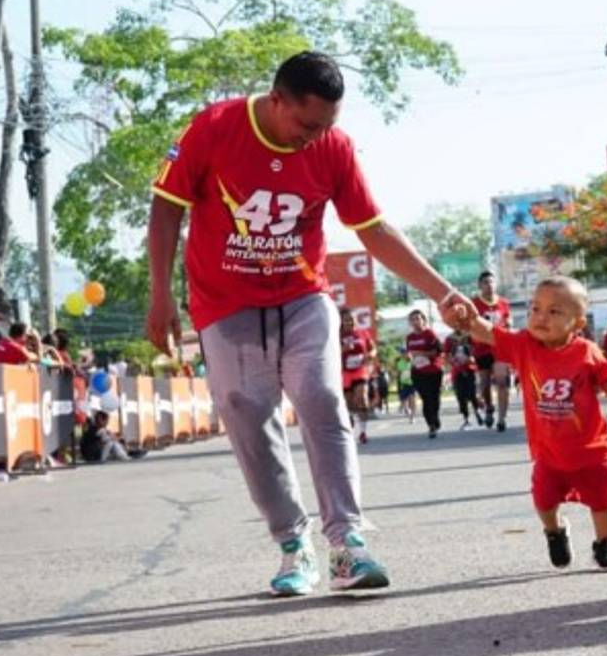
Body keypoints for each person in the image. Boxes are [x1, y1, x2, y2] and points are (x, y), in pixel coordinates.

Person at [144, 51, 470, 596]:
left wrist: (443, 291)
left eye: (327, 127)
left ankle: (347, 544)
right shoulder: (214, 127)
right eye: (306, 125)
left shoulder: (333, 148)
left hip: (302, 294)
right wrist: (159, 295)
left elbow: (375, 229)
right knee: (249, 413)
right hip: (224, 301)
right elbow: (166, 206)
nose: (314, 137)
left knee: (321, 395)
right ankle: (294, 546)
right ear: (277, 101)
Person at [454, 276, 607, 570]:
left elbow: (606, 375)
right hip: (549, 450)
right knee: (544, 498)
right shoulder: (524, 344)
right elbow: (490, 333)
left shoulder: (586, 349)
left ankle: (605, 543)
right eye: (536, 309)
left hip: (592, 447)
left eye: (554, 311)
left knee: (603, 496)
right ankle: (554, 531)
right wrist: (467, 320)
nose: (540, 317)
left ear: (577, 323)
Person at [471, 270, 513, 431]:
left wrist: (508, 325)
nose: (489, 285)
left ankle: (502, 418)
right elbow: (470, 325)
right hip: (481, 347)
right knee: (485, 384)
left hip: (500, 347)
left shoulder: (503, 303)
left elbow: (507, 320)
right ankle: (489, 407)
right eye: (486, 283)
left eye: (492, 282)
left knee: (502, 382)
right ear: (480, 286)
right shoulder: (474, 303)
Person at [404, 309, 445, 439]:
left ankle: (435, 417)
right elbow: (409, 354)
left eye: (418, 318)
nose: (415, 321)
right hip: (418, 372)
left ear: (423, 320)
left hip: (433, 370)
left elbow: (438, 351)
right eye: (413, 319)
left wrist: (421, 353)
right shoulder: (409, 338)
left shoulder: (430, 334)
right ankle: (431, 425)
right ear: (410, 322)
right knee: (426, 398)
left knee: (434, 397)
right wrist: (409, 357)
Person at [338, 307, 376, 445]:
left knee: (362, 398)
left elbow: (373, 349)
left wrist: (370, 355)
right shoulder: (337, 335)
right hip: (344, 372)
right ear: (341, 322)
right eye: (346, 320)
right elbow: (330, 353)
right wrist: (343, 349)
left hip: (360, 370)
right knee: (349, 403)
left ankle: (363, 432)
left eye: (351, 319)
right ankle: (351, 418)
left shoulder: (362, 333)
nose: (350, 322)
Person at [443, 326, 479, 429]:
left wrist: (471, 358)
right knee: (460, 395)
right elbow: (446, 355)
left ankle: (477, 411)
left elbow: (476, 351)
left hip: (470, 369)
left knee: (472, 393)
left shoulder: (470, 337)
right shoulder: (449, 339)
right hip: (456, 371)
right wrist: (451, 362)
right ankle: (466, 418)